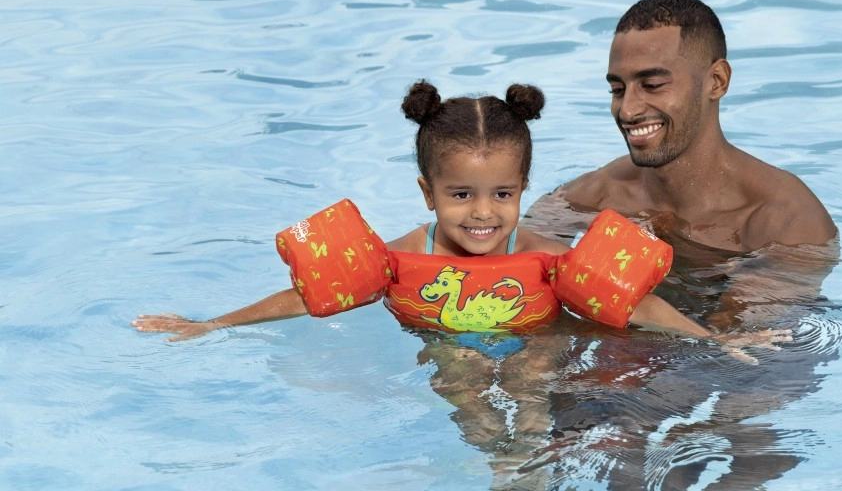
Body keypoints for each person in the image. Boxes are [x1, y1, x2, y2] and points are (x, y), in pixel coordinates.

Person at [133, 80, 789, 361]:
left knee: (533, 385)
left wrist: (713, 339)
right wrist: (211, 324)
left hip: (534, 347)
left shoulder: (546, 255)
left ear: (523, 188)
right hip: (448, 353)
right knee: (464, 383)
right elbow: (308, 294)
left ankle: (526, 469)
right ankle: (502, 465)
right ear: (428, 194)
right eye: (461, 195)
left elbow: (634, 303)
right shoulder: (397, 258)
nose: (483, 213)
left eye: (502, 194)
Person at [529, 0, 837, 254]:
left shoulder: (784, 222)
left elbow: (743, 312)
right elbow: (515, 256)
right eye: (618, 90)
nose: (627, 111)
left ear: (716, 82)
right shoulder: (600, 194)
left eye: (652, 85)